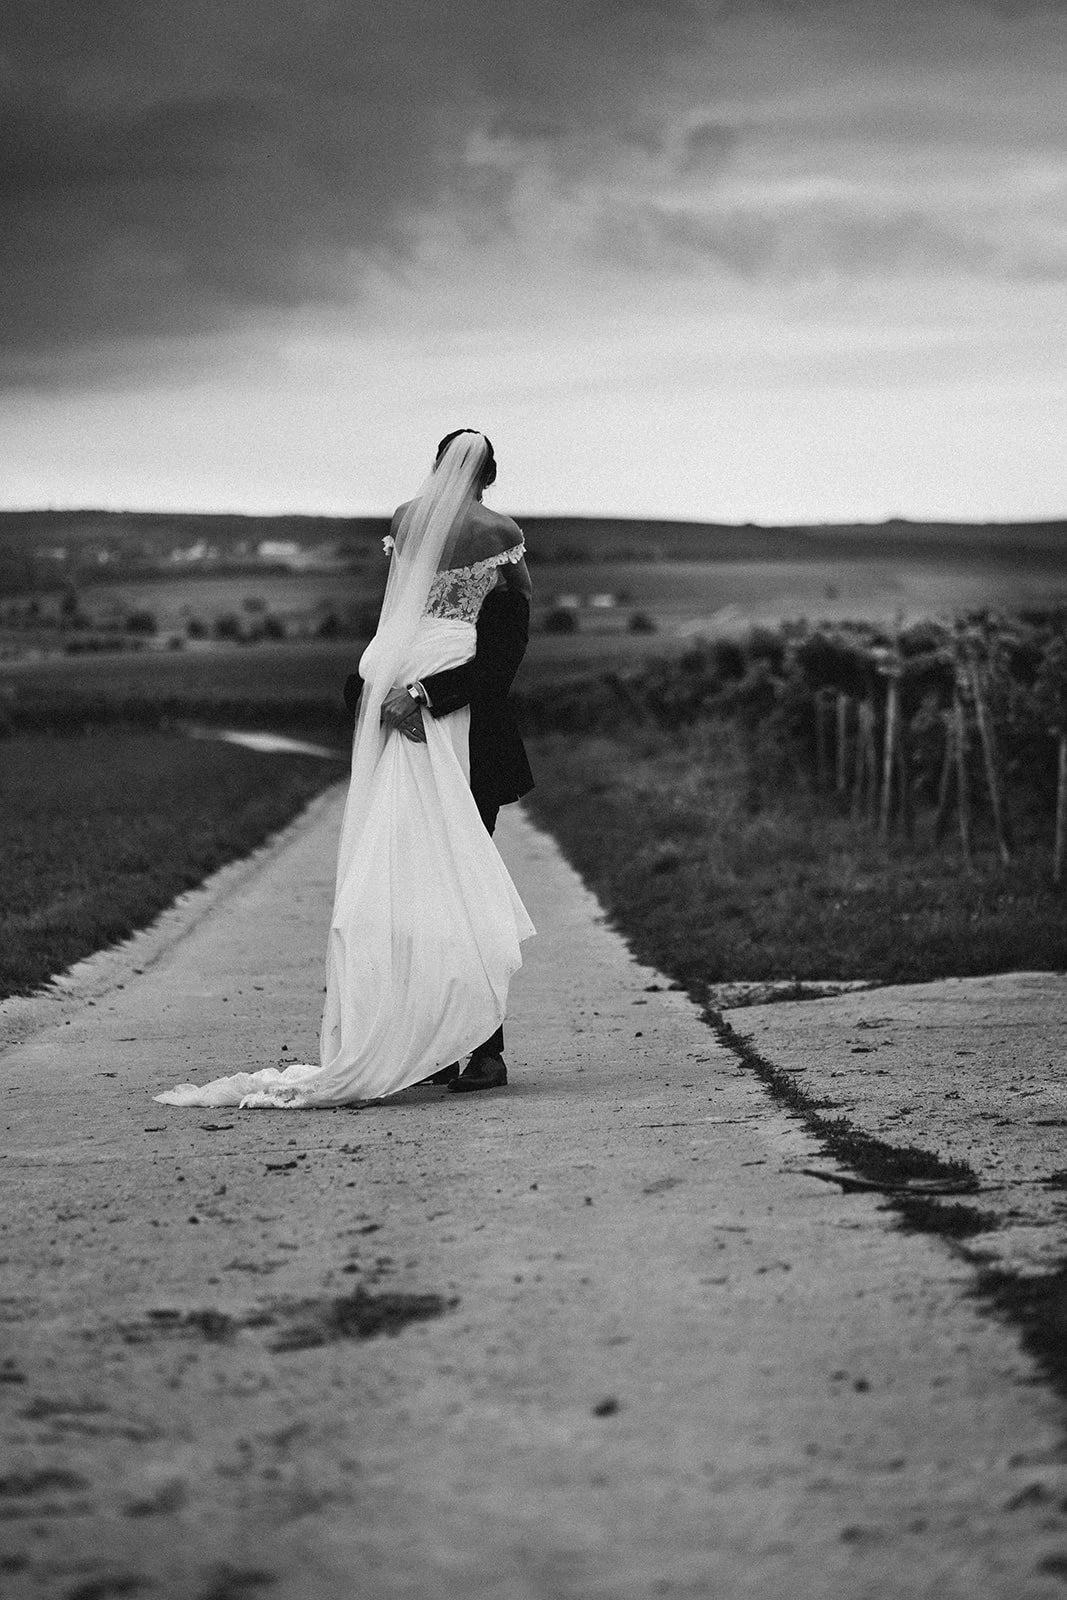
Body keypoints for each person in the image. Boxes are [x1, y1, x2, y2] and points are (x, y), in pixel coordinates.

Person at [155, 430, 535, 1108]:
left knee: (454, 893)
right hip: (406, 738)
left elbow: (490, 667)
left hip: (463, 749)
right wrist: (383, 696)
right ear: (491, 478)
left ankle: (483, 1048)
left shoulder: (430, 549)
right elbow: (460, 652)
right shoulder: (490, 551)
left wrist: (417, 692)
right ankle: (440, 1046)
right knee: (409, 900)